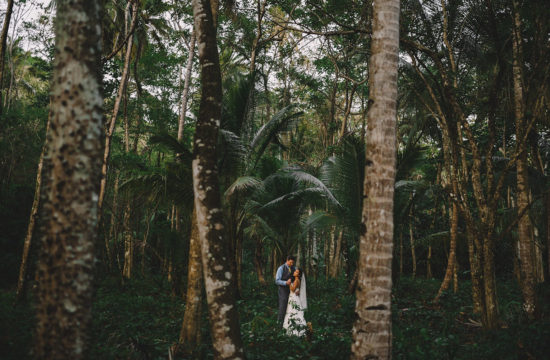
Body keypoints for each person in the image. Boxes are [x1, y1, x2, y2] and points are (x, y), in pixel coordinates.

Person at [282, 267, 307, 336]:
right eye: (295, 271)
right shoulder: (296, 280)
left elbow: (293, 290)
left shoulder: (296, 280)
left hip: (294, 297)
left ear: (298, 275)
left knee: (293, 311)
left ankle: (295, 331)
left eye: (296, 272)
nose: (294, 272)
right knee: (292, 311)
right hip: (293, 297)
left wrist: (289, 283)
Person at [275, 256, 295, 326]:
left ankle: (287, 325)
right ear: (287, 260)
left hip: (292, 291)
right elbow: (277, 281)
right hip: (283, 290)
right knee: (282, 307)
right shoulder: (281, 268)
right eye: (290, 262)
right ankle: (279, 325)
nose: (292, 264)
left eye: (293, 262)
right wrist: (285, 283)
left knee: (291, 308)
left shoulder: (294, 268)